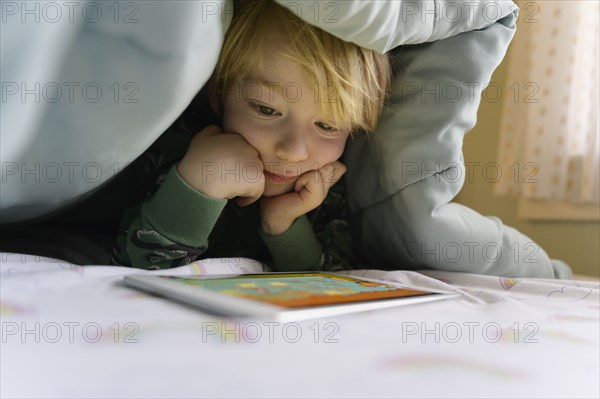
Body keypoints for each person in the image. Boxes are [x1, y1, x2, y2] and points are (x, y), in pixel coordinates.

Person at [111, 0, 392, 271]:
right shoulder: (170, 148)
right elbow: (126, 276)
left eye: (328, 126)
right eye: (267, 109)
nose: (293, 152)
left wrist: (284, 224)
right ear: (218, 91)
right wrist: (197, 187)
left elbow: (337, 287)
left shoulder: (323, 188)